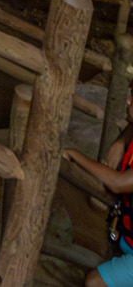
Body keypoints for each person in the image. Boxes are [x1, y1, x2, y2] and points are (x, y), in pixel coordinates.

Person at [64, 83, 133, 287]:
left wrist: (75, 155)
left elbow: (118, 183)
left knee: (94, 282)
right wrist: (122, 142)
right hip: (127, 241)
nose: (128, 100)